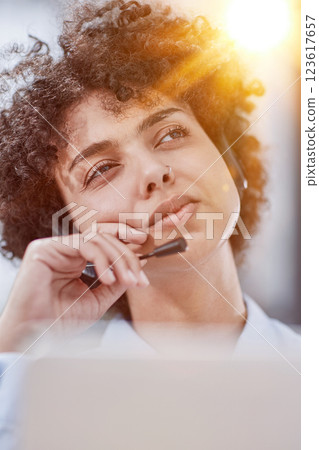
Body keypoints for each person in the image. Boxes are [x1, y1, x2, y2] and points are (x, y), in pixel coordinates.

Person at [0, 0, 300, 447]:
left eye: (171, 134)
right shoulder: (31, 402)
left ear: (230, 161)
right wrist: (15, 347)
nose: (153, 172)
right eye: (101, 170)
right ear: (66, 231)